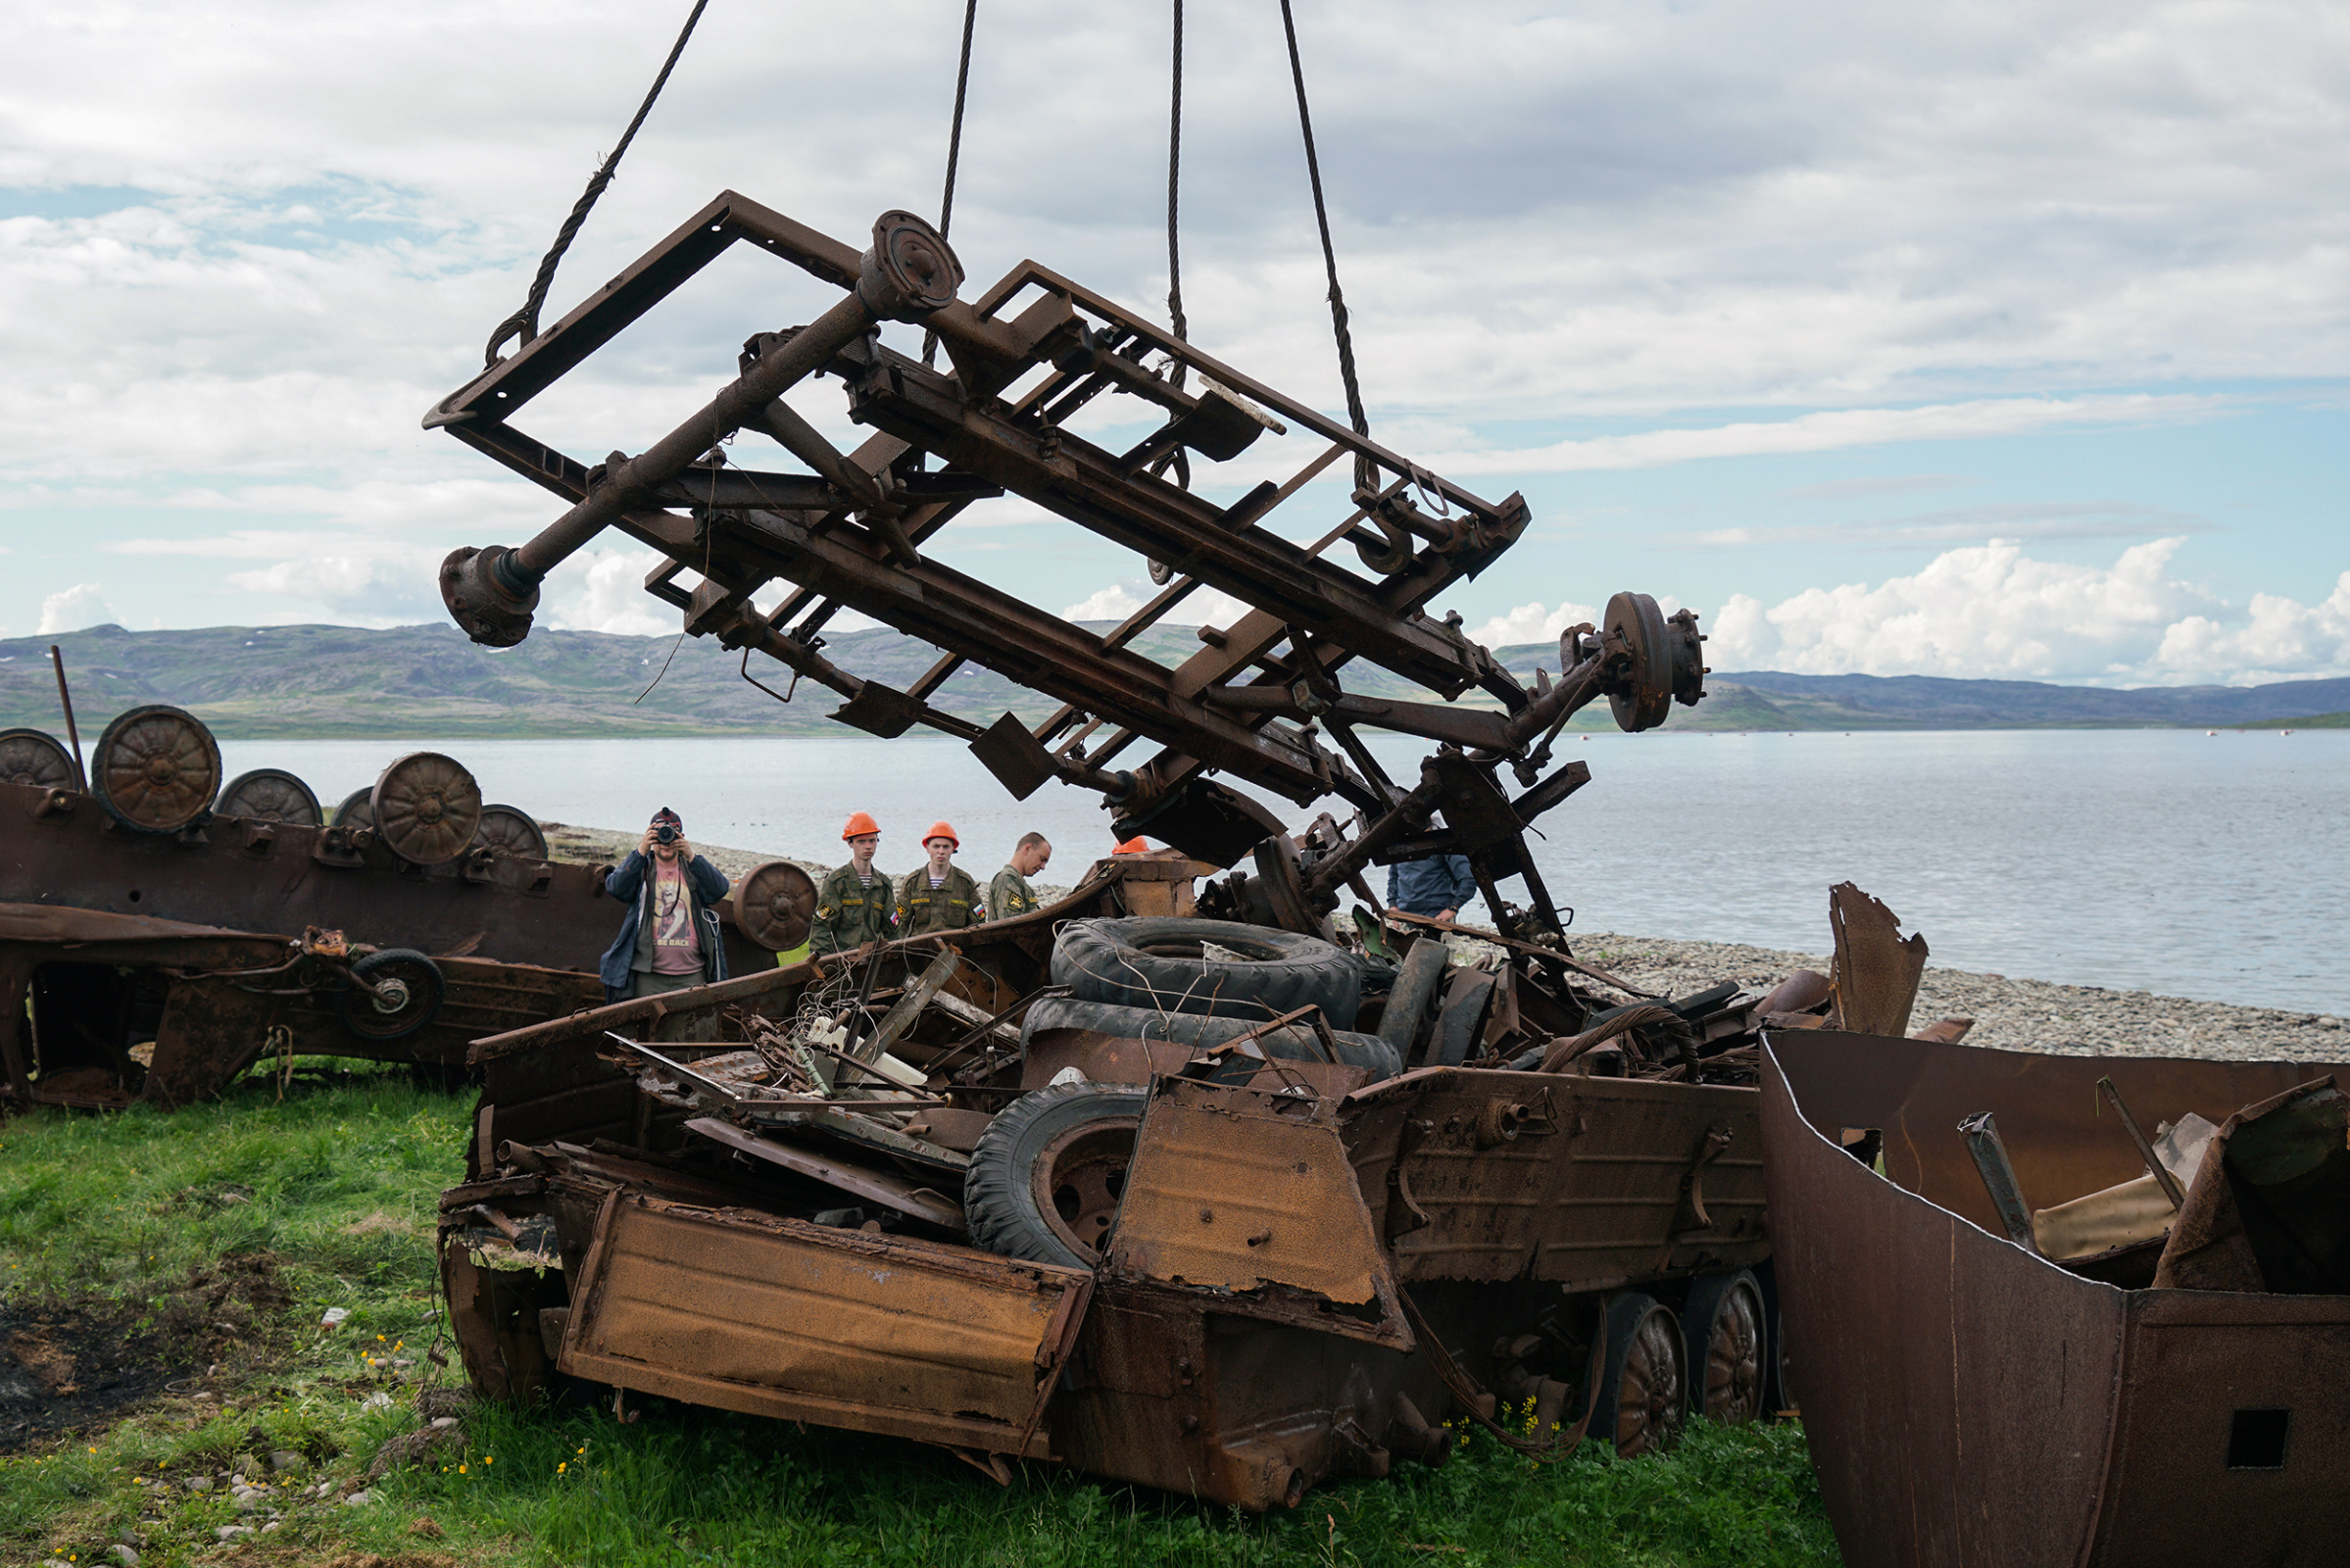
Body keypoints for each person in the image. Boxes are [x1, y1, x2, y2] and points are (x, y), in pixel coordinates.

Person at [598, 808, 730, 1004]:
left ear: (681, 837)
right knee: (646, 1031)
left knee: (691, 1032)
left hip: (692, 973)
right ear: (650, 837)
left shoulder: (693, 870)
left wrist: (691, 855)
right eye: (658, 836)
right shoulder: (641, 870)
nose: (665, 841)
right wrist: (640, 851)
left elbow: (719, 889)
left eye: (671, 835)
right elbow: (615, 887)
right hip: (648, 975)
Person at [809, 811, 896, 957]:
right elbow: (821, 929)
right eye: (861, 842)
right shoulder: (837, 883)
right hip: (843, 964)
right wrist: (824, 966)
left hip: (873, 964)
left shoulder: (883, 885)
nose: (868, 846)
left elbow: (893, 930)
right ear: (850, 843)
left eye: (872, 841)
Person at [898, 820, 985, 934]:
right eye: (936, 846)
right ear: (927, 848)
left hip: (955, 948)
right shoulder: (913, 882)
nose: (941, 851)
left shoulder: (964, 883)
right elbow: (899, 926)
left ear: (953, 849)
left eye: (946, 847)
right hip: (919, 949)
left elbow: (978, 924)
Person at [1386, 852, 1477, 926]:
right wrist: (1392, 904)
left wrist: (1453, 908)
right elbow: (1394, 877)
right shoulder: (1401, 846)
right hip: (1405, 918)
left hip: (1438, 918)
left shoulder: (1443, 843)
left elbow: (1469, 879)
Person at [988, 832, 1052, 920]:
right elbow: (1010, 924)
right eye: (1042, 859)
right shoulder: (1007, 879)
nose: (1043, 867)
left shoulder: (1020, 884)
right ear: (1027, 849)